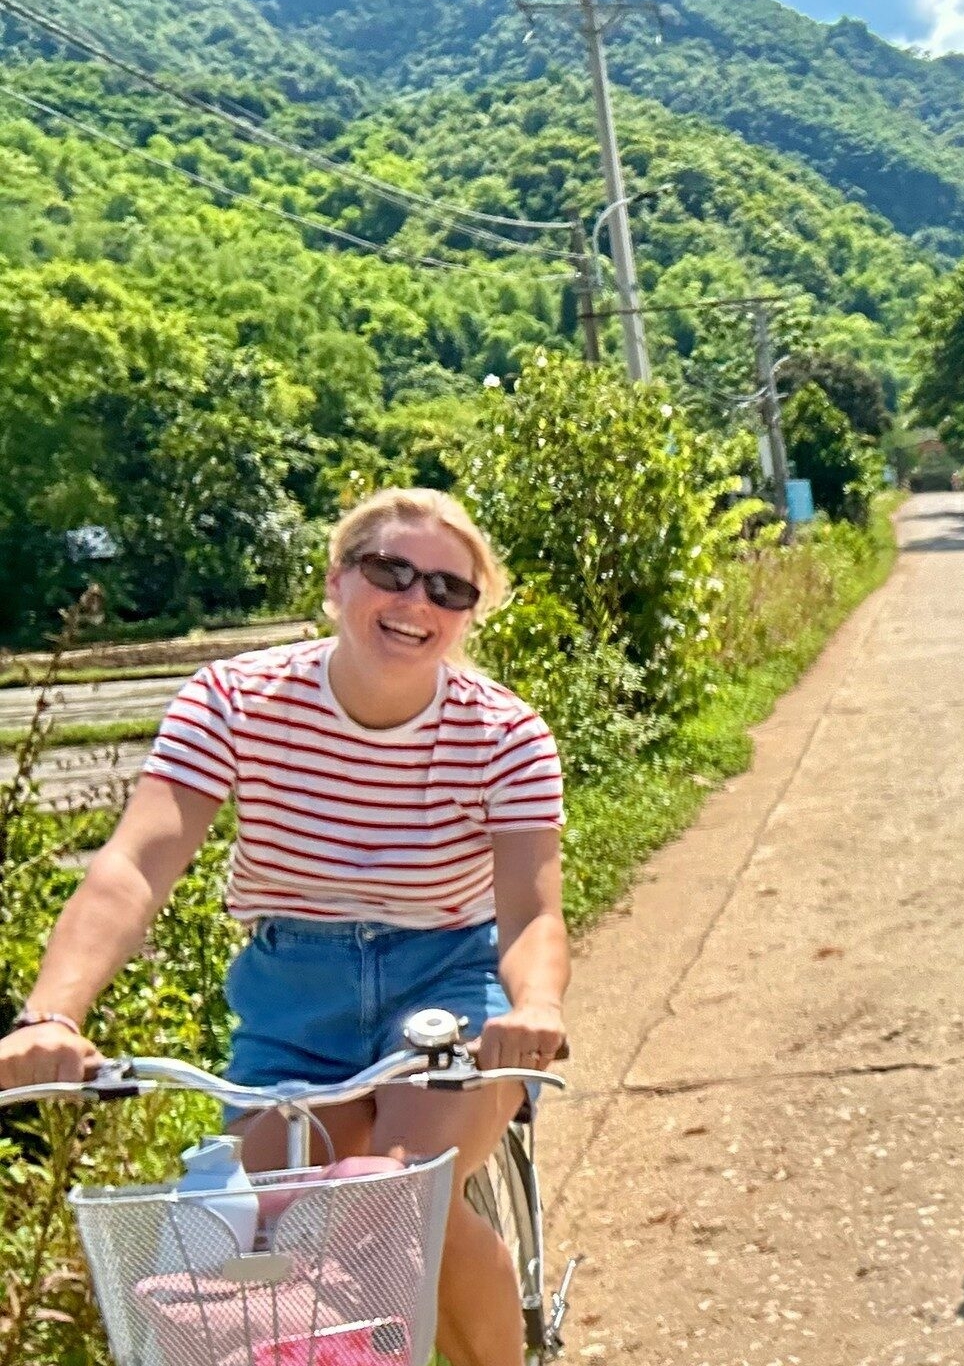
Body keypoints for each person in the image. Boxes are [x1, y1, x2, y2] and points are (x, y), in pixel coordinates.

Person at [0, 488, 568, 1366]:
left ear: (467, 617)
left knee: (393, 1196)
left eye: (449, 591)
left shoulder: (506, 735)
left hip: (448, 984)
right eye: (392, 571)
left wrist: (531, 1006)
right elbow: (134, 865)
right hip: (293, 996)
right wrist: (50, 1014)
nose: (417, 601)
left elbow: (530, 908)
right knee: (235, 1234)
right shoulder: (235, 698)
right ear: (339, 580)